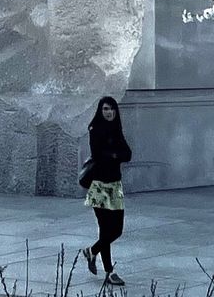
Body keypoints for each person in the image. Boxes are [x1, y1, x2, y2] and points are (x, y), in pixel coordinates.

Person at [81, 96, 132, 286]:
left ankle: (91, 251)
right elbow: (99, 155)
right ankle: (109, 271)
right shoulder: (96, 130)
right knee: (105, 230)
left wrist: (114, 155)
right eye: (105, 109)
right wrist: (115, 155)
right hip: (100, 186)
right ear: (100, 111)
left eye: (111, 109)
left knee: (117, 229)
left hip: (115, 185)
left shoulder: (116, 130)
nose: (108, 112)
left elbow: (128, 154)